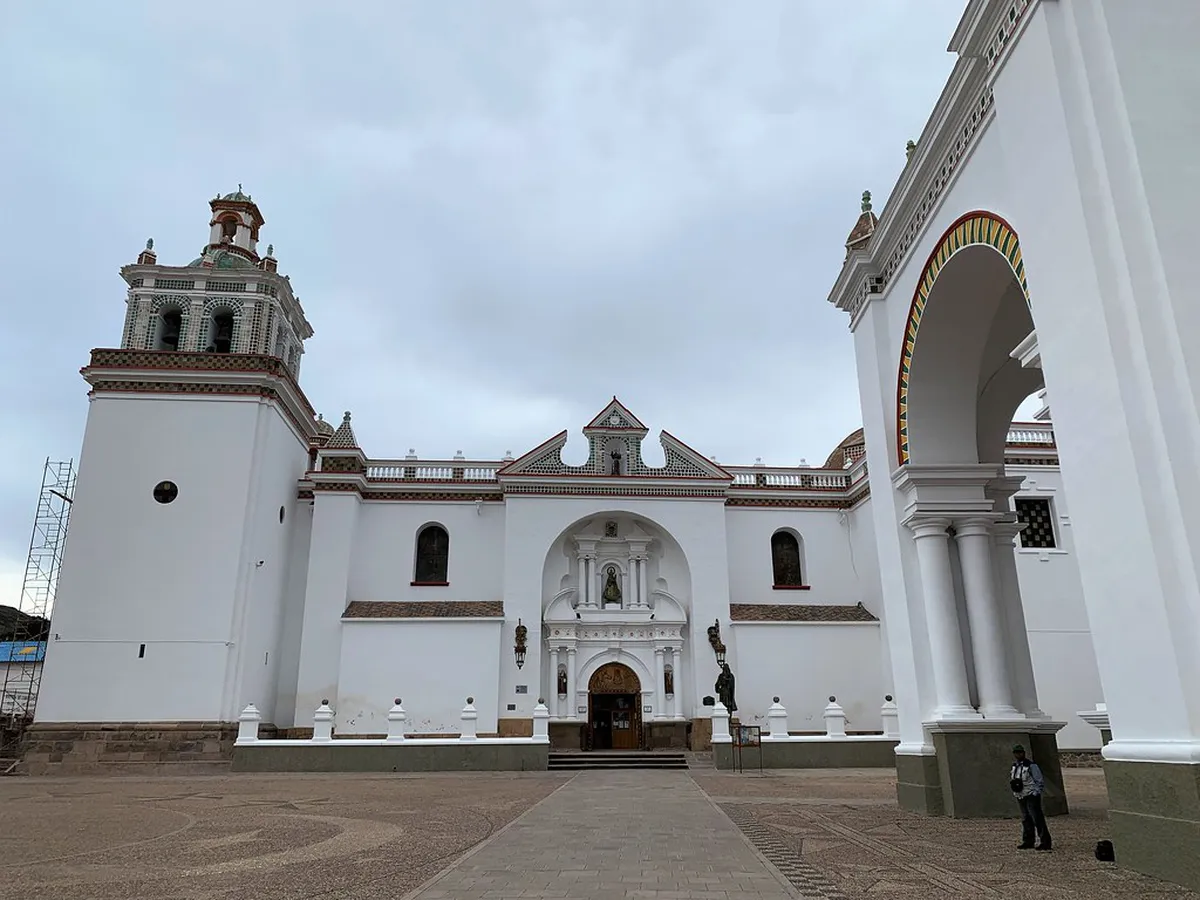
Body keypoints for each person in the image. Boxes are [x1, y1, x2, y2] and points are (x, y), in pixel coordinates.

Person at [1010, 744, 1052, 851]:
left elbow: (1039, 780)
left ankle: (1045, 841)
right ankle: (1028, 840)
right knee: (1026, 819)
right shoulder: (1015, 766)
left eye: (1020, 752)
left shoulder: (1031, 766)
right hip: (1020, 795)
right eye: (1016, 753)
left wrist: (1036, 792)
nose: (1018, 755)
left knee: (1037, 818)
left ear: (1023, 753)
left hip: (1030, 794)